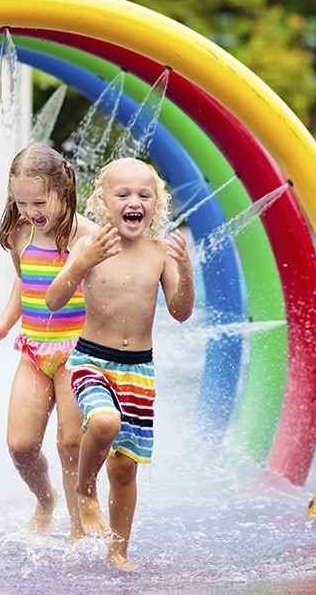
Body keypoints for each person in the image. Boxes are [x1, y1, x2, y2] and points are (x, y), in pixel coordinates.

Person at [45, 157, 195, 570]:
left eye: (144, 195)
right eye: (123, 194)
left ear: (157, 204)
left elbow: (180, 312)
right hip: (92, 360)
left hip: (138, 370)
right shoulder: (91, 245)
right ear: (103, 202)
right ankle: (85, 491)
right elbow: (53, 301)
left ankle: (119, 551)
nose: (134, 201)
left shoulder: (160, 253)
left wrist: (185, 270)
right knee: (105, 423)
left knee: (126, 469)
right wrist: (82, 262)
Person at [0, 143, 107, 540]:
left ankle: (77, 527)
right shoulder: (20, 234)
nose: (31, 212)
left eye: (39, 202)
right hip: (34, 351)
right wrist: (3, 322)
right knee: (20, 445)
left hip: (77, 352)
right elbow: (24, 280)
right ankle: (44, 496)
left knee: (71, 443)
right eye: (21, 202)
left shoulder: (88, 236)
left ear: (62, 189)